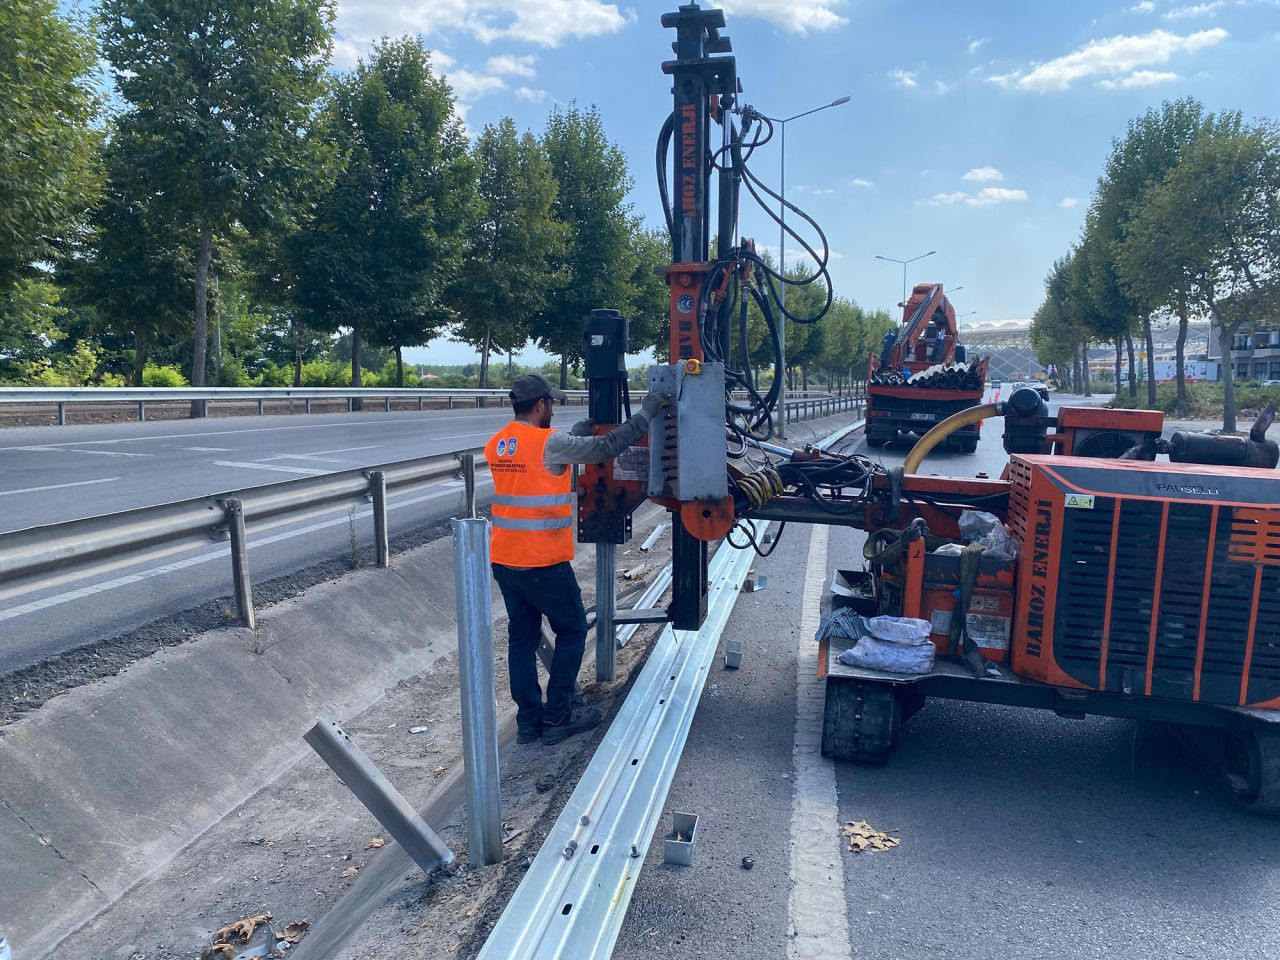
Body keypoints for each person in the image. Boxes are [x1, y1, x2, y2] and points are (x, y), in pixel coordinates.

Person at [485, 373, 669, 745]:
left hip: (505, 559)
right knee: (571, 631)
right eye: (550, 403)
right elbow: (605, 448)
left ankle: (529, 723)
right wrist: (649, 410)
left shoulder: (499, 443)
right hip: (542, 561)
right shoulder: (550, 442)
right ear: (540, 405)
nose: (553, 408)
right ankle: (558, 718)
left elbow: (543, 455)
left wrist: (578, 431)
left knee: (521, 641)